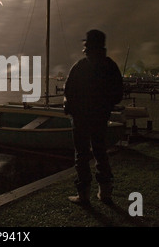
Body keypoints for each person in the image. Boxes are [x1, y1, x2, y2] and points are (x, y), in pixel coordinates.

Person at [64, 29, 123, 205]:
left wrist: (71, 108)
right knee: (100, 152)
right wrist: (105, 106)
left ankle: (83, 194)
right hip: (100, 117)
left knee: (81, 155)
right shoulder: (110, 66)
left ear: (88, 47)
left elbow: (68, 92)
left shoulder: (80, 66)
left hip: (80, 119)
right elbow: (118, 94)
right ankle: (104, 192)